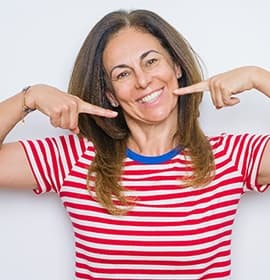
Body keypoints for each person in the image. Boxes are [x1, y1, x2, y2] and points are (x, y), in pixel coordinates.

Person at [0, 8, 269, 280]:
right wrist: (29, 98)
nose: (142, 81)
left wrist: (257, 77)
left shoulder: (231, 156)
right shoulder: (75, 159)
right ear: (111, 95)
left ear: (176, 67)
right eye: (122, 74)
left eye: (151, 61)